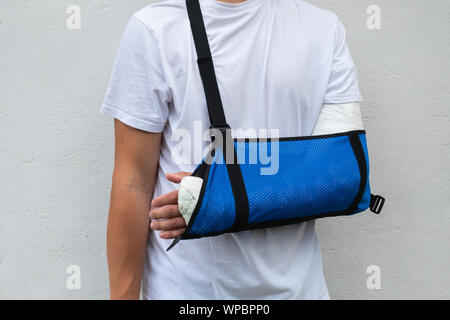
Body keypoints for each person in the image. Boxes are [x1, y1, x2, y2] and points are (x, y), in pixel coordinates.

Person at [101, 0, 363, 300]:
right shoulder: (154, 28)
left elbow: (341, 176)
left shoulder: (324, 30)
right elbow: (132, 181)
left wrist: (219, 200)